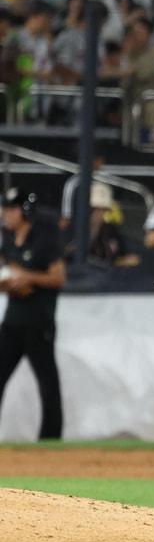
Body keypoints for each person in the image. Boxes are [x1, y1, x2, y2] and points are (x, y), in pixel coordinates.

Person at [0, 187, 64, 440]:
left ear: (24, 211)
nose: (5, 214)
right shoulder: (8, 238)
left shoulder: (44, 238)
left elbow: (58, 278)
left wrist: (28, 278)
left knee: (47, 383)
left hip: (39, 322)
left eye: (10, 209)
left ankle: (51, 437)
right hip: (13, 320)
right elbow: (9, 272)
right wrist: (10, 284)